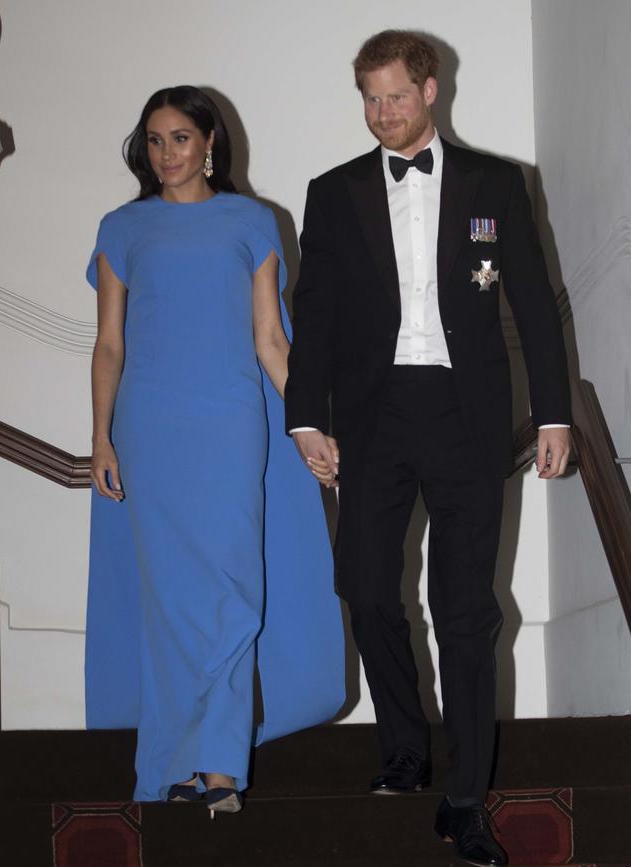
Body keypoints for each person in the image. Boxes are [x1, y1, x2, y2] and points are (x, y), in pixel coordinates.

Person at [285, 30, 571, 867]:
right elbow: (319, 314)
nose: (383, 115)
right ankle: (405, 745)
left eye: (396, 97)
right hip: (372, 419)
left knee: (465, 613)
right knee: (367, 589)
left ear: (431, 89)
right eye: (370, 100)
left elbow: (535, 304)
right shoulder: (333, 193)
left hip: (466, 417)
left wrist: (553, 412)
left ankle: (464, 798)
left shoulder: (496, 184)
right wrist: (306, 416)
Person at [85, 85, 344, 812]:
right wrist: (101, 433)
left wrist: (312, 425)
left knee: (233, 593)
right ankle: (173, 763)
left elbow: (271, 340)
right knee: (169, 602)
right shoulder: (121, 228)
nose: (166, 154)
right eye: (155, 141)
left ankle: (222, 764)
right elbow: (109, 343)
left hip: (231, 423)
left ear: (209, 145)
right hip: (151, 428)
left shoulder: (251, 221)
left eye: (180, 139)